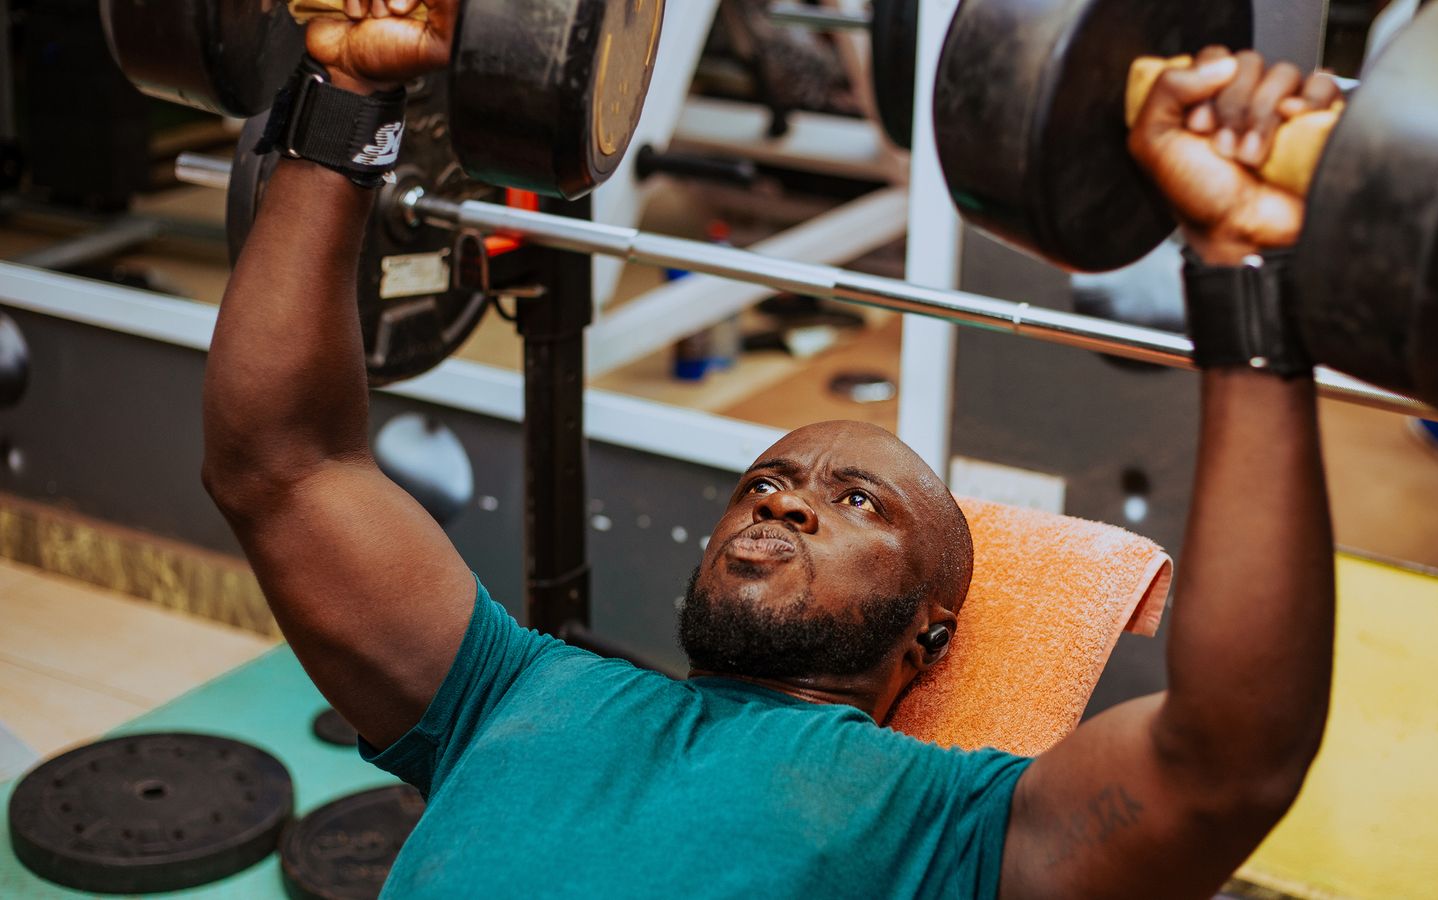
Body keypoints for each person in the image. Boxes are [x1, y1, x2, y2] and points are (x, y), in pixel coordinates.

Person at [200, 3, 1337, 897]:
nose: (785, 504)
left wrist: (1242, 274)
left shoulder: (954, 825)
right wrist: (349, 90)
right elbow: (280, 467)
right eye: (766, 481)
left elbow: (1227, 762)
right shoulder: (510, 690)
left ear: (933, 634)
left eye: (858, 502)